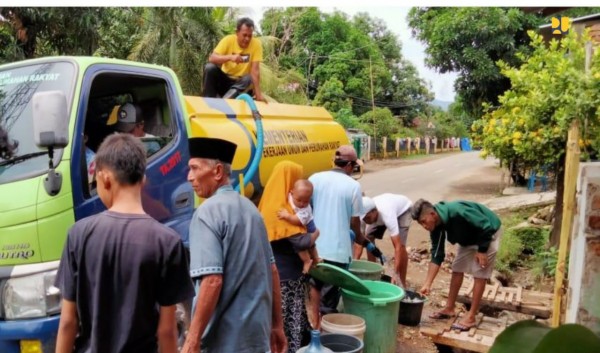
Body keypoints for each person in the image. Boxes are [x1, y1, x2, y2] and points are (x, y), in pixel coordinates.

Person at [54, 133, 195, 353]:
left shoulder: (78, 235)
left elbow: (68, 323)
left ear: (105, 178)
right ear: (143, 180)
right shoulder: (167, 242)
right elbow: (166, 331)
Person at [182, 137, 286, 353]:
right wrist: (277, 326)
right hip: (257, 339)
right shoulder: (251, 209)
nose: (189, 177)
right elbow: (272, 270)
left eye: (194, 168)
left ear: (218, 171)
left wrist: (192, 341)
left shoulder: (206, 212)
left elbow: (212, 280)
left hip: (225, 343)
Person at [308, 145, 382, 317]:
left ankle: (316, 328)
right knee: (329, 301)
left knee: (314, 289)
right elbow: (355, 221)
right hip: (337, 252)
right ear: (349, 165)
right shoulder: (353, 185)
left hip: (315, 249)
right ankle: (328, 336)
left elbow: (307, 211)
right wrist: (362, 240)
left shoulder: (315, 178)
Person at [411, 198, 502, 331]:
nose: (424, 226)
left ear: (432, 214)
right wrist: (427, 284)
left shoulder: (458, 211)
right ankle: (449, 308)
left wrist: (482, 250)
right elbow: (437, 254)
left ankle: (471, 316)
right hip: (468, 238)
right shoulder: (435, 226)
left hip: (487, 233)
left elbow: (485, 225)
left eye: (424, 221)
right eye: (421, 224)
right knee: (457, 268)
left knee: (479, 272)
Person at [258, 161, 314, 353]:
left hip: (270, 274)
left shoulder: (268, 204)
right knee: (287, 319)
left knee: (274, 319)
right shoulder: (283, 212)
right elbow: (304, 241)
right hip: (287, 277)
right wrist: (312, 235)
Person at [354, 193, 413, 288]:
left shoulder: (387, 214)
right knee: (368, 236)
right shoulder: (364, 215)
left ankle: (401, 283)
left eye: (368, 218)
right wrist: (354, 264)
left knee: (401, 246)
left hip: (404, 211)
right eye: (364, 219)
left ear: (374, 211)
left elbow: (397, 246)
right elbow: (359, 241)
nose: (366, 221)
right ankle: (372, 274)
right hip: (385, 212)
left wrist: (395, 273)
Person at [203, 17, 265, 102]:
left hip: (240, 86)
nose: (247, 39)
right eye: (244, 35)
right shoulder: (228, 40)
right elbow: (212, 58)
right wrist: (230, 57)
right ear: (237, 33)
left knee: (249, 77)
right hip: (224, 82)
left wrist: (258, 95)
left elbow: (255, 71)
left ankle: (226, 102)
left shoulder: (256, 44)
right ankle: (207, 102)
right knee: (209, 68)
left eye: (250, 36)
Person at [277, 179, 321, 274]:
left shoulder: (305, 209)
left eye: (306, 201)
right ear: (291, 192)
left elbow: (297, 221)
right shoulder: (288, 196)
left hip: (308, 224)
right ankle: (315, 258)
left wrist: (287, 216)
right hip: (304, 223)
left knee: (301, 246)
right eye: (299, 200)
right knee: (310, 245)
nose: (302, 204)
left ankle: (307, 261)